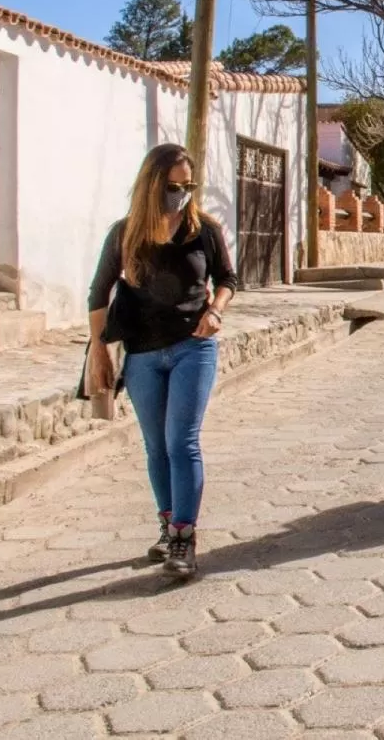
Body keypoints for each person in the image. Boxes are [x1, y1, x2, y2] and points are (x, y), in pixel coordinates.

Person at [87, 143, 237, 579]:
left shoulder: (202, 228)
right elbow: (99, 291)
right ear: (152, 184)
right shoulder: (124, 233)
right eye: (173, 186)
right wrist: (98, 348)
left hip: (194, 345)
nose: (182, 193)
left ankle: (184, 540)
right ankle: (168, 525)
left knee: (181, 441)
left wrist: (216, 310)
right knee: (156, 446)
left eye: (188, 185)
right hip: (143, 354)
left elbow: (226, 278)